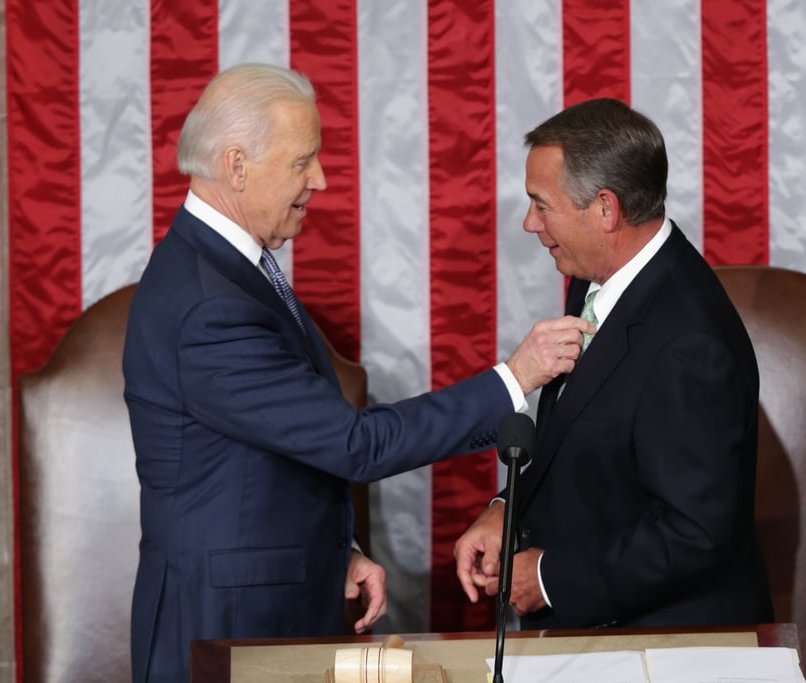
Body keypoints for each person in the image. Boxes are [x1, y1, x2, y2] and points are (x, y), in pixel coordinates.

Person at [122, 63, 592, 683]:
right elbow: (353, 443)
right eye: (302, 161)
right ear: (236, 166)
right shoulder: (211, 303)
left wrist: (333, 550)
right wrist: (515, 377)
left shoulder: (226, 268)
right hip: (224, 620)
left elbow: (263, 450)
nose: (319, 179)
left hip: (261, 600)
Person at [453, 98, 774, 631]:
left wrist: (551, 577)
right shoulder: (600, 279)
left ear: (606, 209)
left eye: (541, 203)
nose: (529, 222)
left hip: (670, 644)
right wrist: (508, 509)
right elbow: (584, 451)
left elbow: (695, 533)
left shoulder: (689, 342)